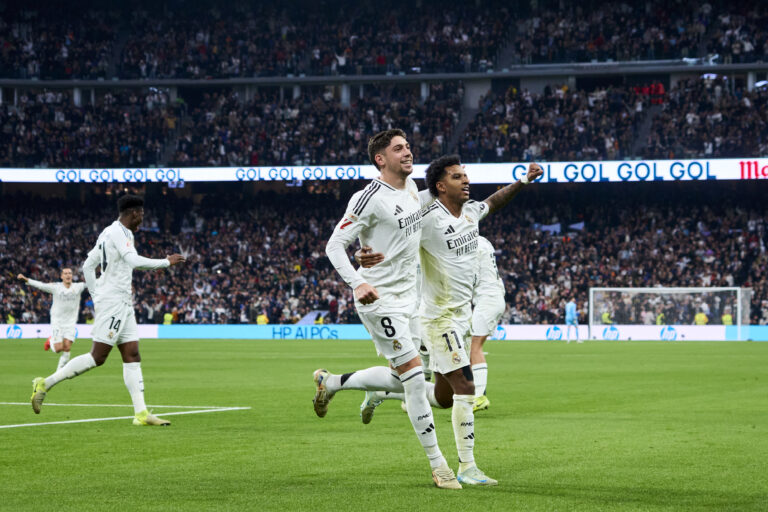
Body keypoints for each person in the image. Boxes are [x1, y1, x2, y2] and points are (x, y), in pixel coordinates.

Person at [317, 129, 460, 489]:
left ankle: (332, 383)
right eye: (399, 149)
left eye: (409, 146)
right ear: (381, 159)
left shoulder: (412, 190)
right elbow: (334, 246)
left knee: (400, 378)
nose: (408, 152)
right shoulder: (368, 198)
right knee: (414, 379)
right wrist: (358, 281)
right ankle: (439, 466)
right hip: (378, 299)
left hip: (411, 300)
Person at [416, 154, 542, 486]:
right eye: (458, 177)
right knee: (466, 387)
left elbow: (494, 202)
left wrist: (523, 181)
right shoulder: (427, 219)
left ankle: (386, 389)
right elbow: (392, 223)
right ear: (441, 186)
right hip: (439, 319)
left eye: (466, 175)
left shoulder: (470, 212)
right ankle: (467, 467)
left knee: (443, 398)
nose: (466, 180)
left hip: (460, 318)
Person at [30, 195, 185, 426]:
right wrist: (165, 262)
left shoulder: (109, 232)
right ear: (133, 213)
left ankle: (141, 413)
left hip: (123, 302)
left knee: (132, 354)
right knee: (98, 357)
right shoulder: (118, 233)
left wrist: (95, 293)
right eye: (141, 215)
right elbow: (132, 261)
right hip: (113, 302)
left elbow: (87, 265)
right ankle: (45, 383)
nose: (142, 219)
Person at [17, 268, 87, 371]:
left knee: (67, 347)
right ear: (61, 276)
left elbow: (92, 283)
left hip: (71, 322)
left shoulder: (78, 287)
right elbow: (41, 285)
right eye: (65, 273)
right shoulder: (56, 287)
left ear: (72, 276)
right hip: (57, 322)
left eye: (70, 273)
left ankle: (59, 373)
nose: (68, 275)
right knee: (59, 349)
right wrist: (27, 280)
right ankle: (50, 341)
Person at [468, 236, 506, 412]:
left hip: (487, 300)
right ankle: (473, 392)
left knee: (474, 346)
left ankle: (479, 396)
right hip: (493, 297)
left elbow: (469, 276)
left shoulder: (468, 244)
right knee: (470, 344)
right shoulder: (484, 241)